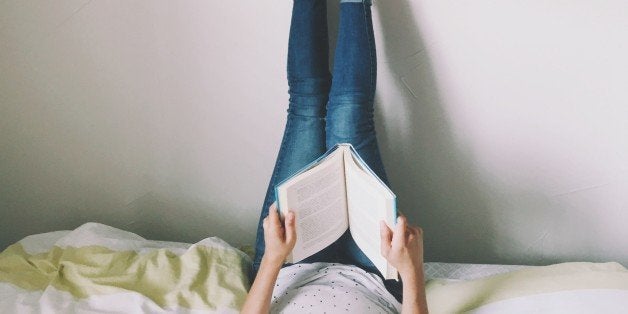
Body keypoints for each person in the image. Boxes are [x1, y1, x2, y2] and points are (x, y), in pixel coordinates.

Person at [241, 0, 428, 313]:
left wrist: (274, 256)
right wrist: (412, 271)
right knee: (350, 115)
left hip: (287, 263)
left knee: (306, 108)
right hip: (374, 274)